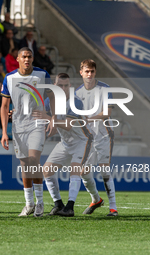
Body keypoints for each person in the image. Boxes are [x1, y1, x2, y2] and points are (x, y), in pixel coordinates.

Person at [0, 47, 56, 217]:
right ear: (17, 59)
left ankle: (39, 202)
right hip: (18, 125)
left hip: (37, 123)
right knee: (25, 164)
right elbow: (4, 106)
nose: (27, 59)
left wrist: (52, 117)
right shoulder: (9, 78)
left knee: (33, 160)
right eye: (23, 57)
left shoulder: (42, 75)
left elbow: (52, 95)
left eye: (29, 57)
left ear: (33, 59)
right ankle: (29, 204)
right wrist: (4, 132)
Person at [39, 73, 94, 217]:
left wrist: (47, 118)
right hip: (65, 143)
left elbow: (68, 125)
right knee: (47, 171)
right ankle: (58, 204)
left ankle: (70, 207)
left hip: (83, 141)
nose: (63, 88)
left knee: (75, 170)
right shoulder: (48, 101)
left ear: (69, 86)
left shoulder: (75, 102)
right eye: (60, 85)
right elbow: (45, 120)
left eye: (65, 85)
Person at [75, 59, 118, 217]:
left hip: (104, 135)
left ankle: (113, 207)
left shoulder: (104, 88)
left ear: (95, 72)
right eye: (87, 71)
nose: (89, 74)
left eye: (92, 71)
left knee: (104, 170)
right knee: (83, 172)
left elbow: (107, 112)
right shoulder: (77, 93)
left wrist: (88, 118)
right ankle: (96, 200)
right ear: (81, 72)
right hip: (87, 139)